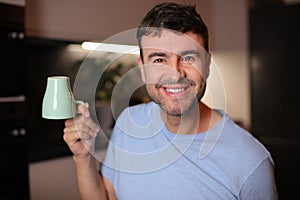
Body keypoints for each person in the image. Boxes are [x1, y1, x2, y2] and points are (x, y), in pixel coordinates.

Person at [63, 2, 278, 200]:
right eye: (159, 59)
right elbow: (108, 196)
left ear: (207, 64)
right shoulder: (129, 122)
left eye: (188, 58)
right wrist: (83, 158)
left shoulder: (251, 162)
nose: (175, 74)